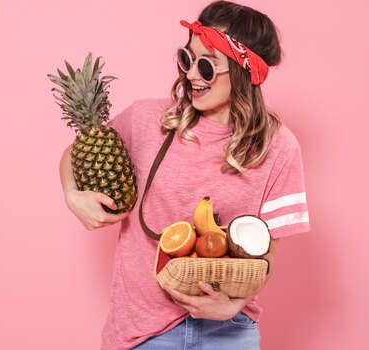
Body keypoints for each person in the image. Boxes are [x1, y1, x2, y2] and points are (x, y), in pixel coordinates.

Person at [59, 1, 310, 349]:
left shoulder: (278, 147)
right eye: (186, 58)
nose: (191, 74)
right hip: (141, 333)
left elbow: (266, 256)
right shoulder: (147, 120)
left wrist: (231, 306)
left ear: (244, 72)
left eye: (207, 66)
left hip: (229, 332)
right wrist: (74, 196)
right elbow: (79, 150)